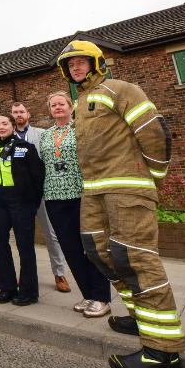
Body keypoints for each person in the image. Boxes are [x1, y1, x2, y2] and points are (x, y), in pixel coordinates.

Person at [57, 40, 185, 368]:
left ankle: (162, 351)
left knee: (136, 260)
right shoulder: (80, 102)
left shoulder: (120, 89)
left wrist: (152, 177)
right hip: (95, 192)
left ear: (96, 62)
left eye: (81, 62)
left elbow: (155, 131)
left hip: (127, 189)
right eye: (70, 65)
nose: (75, 68)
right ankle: (140, 316)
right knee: (100, 252)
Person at [39, 90, 112, 317]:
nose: (58, 108)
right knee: (70, 249)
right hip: (54, 197)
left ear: (71, 107)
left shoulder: (81, 128)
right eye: (54, 105)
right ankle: (88, 294)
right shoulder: (45, 135)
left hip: (82, 196)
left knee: (90, 247)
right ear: (50, 110)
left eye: (62, 104)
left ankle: (102, 297)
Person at [11, 102, 70, 293]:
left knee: (51, 235)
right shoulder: (8, 137)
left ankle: (59, 273)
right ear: (12, 115)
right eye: (15, 112)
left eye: (22, 111)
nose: (19, 114)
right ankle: (26, 273)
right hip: (20, 195)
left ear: (28, 113)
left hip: (43, 192)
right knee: (22, 236)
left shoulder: (42, 134)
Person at [0, 114, 45, 306]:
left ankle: (29, 292)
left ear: (13, 126)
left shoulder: (25, 148)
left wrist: (32, 203)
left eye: (4, 123)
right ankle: (7, 288)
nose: (1, 127)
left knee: (25, 246)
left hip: (21, 203)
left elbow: (38, 177)